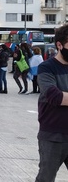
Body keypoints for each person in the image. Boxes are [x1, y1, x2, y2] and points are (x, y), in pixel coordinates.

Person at [35, 24, 68, 181]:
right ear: (59, 45)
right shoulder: (46, 67)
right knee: (46, 177)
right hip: (53, 135)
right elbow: (54, 97)